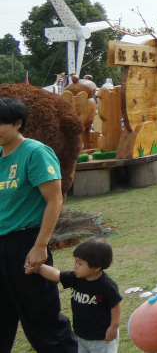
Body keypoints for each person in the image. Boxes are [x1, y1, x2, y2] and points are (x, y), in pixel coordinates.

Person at [0, 97, 78, 352]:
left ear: (18, 123)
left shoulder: (35, 153)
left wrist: (39, 246)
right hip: (2, 244)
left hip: (25, 243)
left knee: (42, 319)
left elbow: (55, 200)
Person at [32, 239, 122, 352]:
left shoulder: (106, 286)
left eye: (80, 264)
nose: (75, 267)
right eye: (76, 262)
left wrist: (114, 327)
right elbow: (55, 274)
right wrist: (39, 267)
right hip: (82, 336)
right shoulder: (75, 278)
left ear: (96, 267)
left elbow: (116, 305)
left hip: (101, 339)